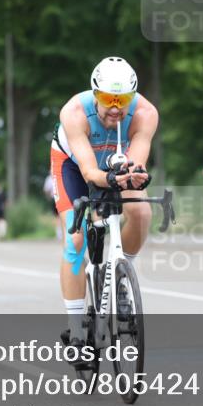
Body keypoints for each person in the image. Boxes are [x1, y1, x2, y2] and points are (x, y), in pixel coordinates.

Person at [51, 57, 158, 354]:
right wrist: (108, 180)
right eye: (108, 99)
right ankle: (75, 329)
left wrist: (134, 175)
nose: (115, 107)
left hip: (114, 167)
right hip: (74, 167)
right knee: (76, 239)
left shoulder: (145, 113)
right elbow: (89, 173)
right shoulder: (74, 112)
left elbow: (135, 164)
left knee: (141, 211)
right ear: (95, 95)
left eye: (122, 100)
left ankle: (122, 280)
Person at [42, 174, 61, 240]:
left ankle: (59, 233)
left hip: (55, 198)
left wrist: (48, 197)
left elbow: (46, 190)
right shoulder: (51, 178)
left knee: (58, 216)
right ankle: (59, 233)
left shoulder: (49, 178)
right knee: (58, 216)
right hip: (56, 198)